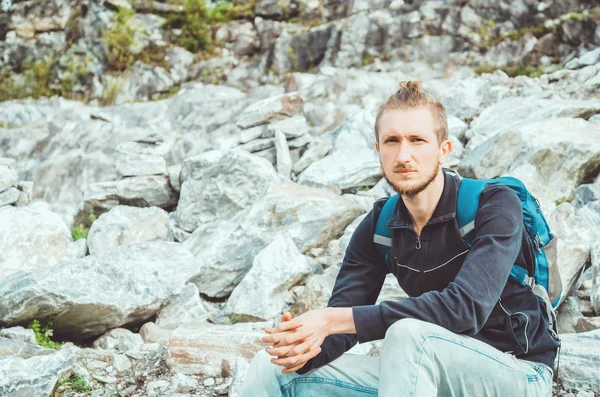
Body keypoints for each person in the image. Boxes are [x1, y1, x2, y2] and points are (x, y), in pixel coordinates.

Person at [239, 81, 560, 397]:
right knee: (273, 369)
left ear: (443, 150)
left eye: (417, 140)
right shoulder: (379, 227)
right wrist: (304, 347)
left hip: (519, 373)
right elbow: (341, 332)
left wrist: (332, 319)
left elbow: (466, 308)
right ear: (378, 150)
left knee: (407, 336)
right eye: (392, 141)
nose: (404, 155)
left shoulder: (494, 205)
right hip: (423, 369)